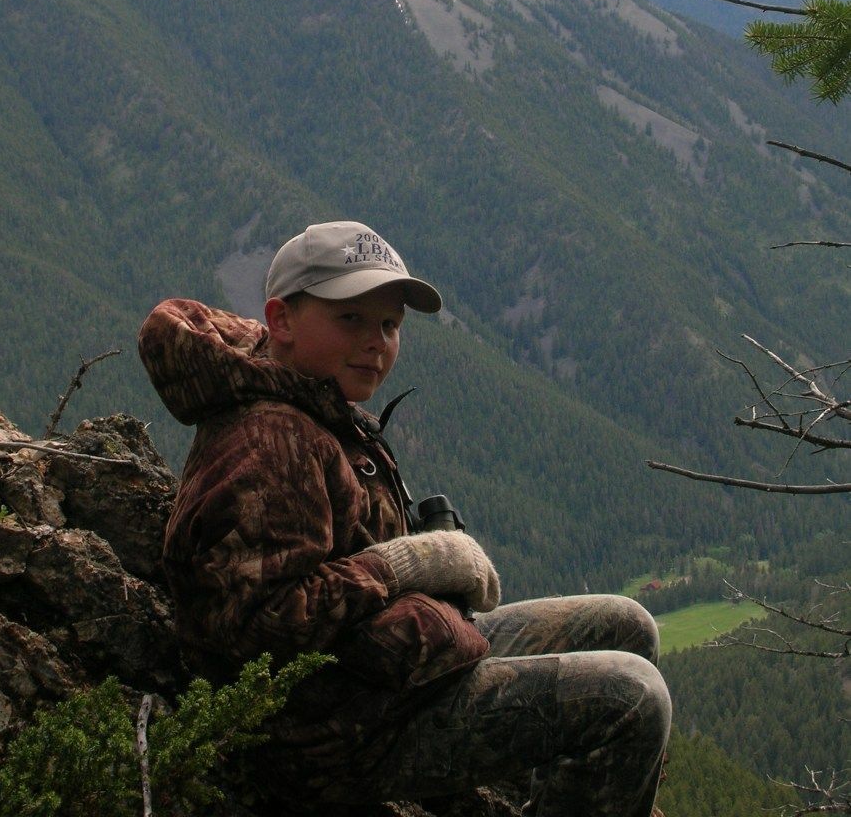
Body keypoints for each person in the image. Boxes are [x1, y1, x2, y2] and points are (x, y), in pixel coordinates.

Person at [138, 220, 671, 816]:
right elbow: (256, 628)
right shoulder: (267, 440)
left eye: (390, 325)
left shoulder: (313, 402)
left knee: (628, 625)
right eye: (351, 319)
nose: (377, 342)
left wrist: (412, 570)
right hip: (339, 737)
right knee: (632, 698)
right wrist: (407, 563)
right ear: (281, 320)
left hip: (391, 674)